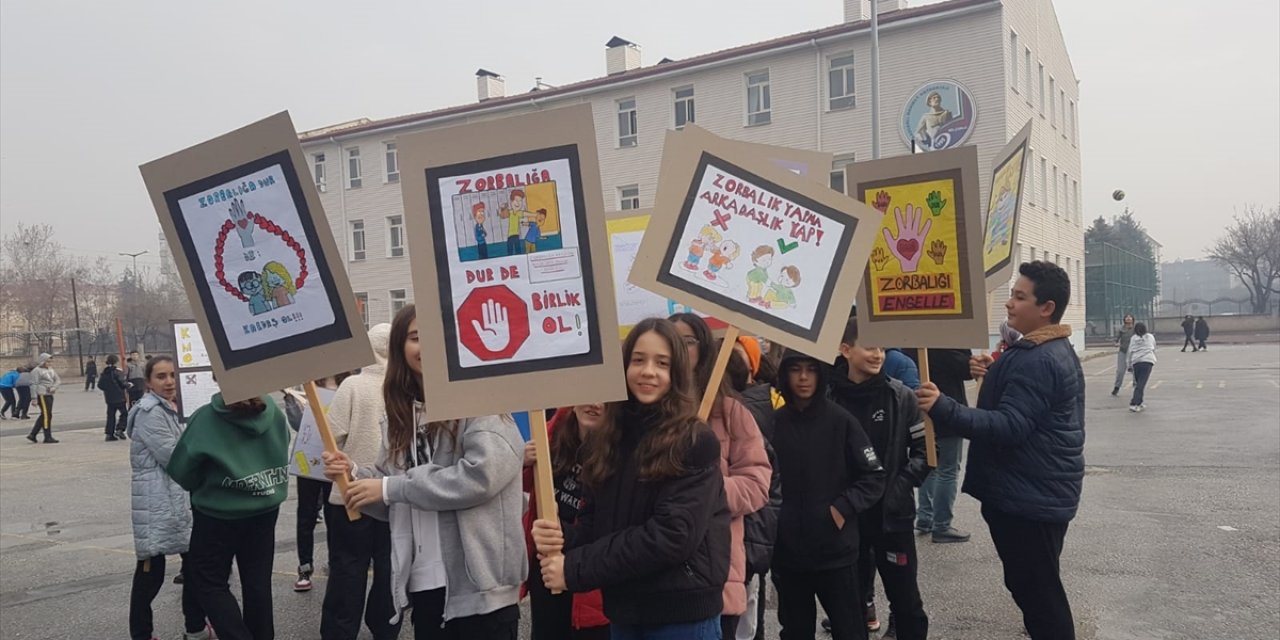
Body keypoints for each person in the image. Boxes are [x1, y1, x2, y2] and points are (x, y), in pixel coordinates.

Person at [326, 304, 526, 639]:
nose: (428, 347)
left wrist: (390, 488)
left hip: (480, 592)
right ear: (400, 349)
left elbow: (481, 477)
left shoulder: (480, 401)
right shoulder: (399, 416)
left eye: (436, 337)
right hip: (423, 584)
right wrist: (356, 478)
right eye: (417, 337)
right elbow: (391, 497)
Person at [532, 318, 731, 639]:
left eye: (661, 363)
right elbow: (596, 523)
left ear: (676, 372)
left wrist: (575, 568)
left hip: (679, 615)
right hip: (625, 609)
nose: (648, 371)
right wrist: (563, 539)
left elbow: (671, 536)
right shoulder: (607, 438)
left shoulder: (694, 440)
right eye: (638, 360)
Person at [916, 261, 1084, 639]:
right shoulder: (1041, 351)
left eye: (1019, 297)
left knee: (1040, 596)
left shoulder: (1039, 358)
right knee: (1035, 589)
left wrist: (944, 406)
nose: (1009, 304)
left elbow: (1010, 426)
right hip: (1036, 491)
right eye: (1011, 294)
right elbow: (1029, 407)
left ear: (1047, 308)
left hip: (1030, 497)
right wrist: (993, 372)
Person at [771, 347, 886, 640]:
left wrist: (841, 509)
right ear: (785, 375)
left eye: (811, 369)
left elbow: (873, 475)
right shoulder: (774, 423)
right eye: (796, 370)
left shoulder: (841, 420)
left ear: (822, 373)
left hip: (835, 552)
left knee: (849, 628)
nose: (804, 378)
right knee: (795, 630)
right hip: (788, 554)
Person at [670, 313, 771, 639]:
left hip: (715, 568)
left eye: (687, 341)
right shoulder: (645, 410)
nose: (679, 349)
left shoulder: (730, 412)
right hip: (656, 570)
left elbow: (757, 483)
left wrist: (707, 490)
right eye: (670, 341)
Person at [830, 318, 931, 640]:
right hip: (847, 520)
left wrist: (898, 488)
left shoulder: (901, 397)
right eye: (870, 346)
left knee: (907, 604)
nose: (878, 355)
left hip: (892, 520)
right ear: (845, 349)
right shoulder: (828, 398)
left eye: (882, 348)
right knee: (850, 606)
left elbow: (926, 453)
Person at [168, 390, 290, 640]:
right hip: (264, 508)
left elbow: (182, 471)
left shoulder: (206, 419)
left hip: (218, 512)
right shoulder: (274, 413)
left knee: (209, 581)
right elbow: (283, 444)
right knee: (257, 582)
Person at [319, 323, 400, 640]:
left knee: (347, 570)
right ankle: (384, 626)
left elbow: (330, 435)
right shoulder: (404, 387)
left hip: (350, 494)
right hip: (393, 496)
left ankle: (340, 631)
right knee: (389, 569)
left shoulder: (352, 385)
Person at [126, 355, 213, 640]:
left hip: (179, 500)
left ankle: (196, 626)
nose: (169, 382)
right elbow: (173, 456)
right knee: (150, 575)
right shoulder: (150, 412)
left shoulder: (177, 407)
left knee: (195, 567)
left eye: (173, 375)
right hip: (157, 503)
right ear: (149, 382)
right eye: (161, 377)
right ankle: (142, 632)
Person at [522, 406, 610, 640]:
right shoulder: (555, 429)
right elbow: (524, 487)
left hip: (590, 575)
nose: (594, 402)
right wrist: (522, 461)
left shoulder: (621, 447)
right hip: (547, 563)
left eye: (604, 396)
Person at [724, 339, 783, 640]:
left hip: (741, 542)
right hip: (743, 546)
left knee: (742, 622)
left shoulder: (743, 414)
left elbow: (764, 485)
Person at [281, 377, 344, 594]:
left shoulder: (347, 384)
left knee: (334, 512)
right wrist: (291, 400)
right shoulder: (305, 386)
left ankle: (335, 562)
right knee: (306, 514)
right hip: (307, 460)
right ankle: (305, 567)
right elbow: (297, 424)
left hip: (335, 460)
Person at [905, 348, 973, 545]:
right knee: (948, 469)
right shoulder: (946, 339)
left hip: (921, 410)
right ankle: (942, 525)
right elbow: (965, 369)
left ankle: (925, 518)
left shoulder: (911, 340)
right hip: (947, 407)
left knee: (929, 465)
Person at [27, 353, 60, 444]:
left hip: (50, 394)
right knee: (46, 415)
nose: (49, 363)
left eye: (50, 361)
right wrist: (34, 398)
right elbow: (33, 384)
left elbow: (57, 380)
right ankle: (47, 436)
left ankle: (33, 434)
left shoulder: (50, 370)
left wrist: (54, 387)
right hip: (42, 394)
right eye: (47, 361)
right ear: (43, 361)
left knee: (46, 414)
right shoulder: (36, 371)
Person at [1127, 322, 1157, 413]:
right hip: (1147, 361)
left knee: (1138, 382)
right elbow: (1154, 347)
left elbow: (1130, 351)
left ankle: (1139, 402)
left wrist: (1129, 364)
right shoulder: (1150, 337)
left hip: (1136, 362)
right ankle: (1134, 403)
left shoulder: (1133, 338)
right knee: (1141, 383)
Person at [100, 354, 131, 441]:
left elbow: (100, 385)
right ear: (116, 362)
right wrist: (128, 385)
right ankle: (120, 429)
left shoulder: (104, 372)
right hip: (119, 397)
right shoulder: (118, 372)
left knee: (111, 416)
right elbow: (123, 383)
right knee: (124, 413)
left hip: (109, 398)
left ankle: (109, 434)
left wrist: (108, 389)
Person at [1112, 314, 1136, 396]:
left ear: (1133, 319)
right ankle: (1117, 387)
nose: (1128, 318)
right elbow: (1116, 339)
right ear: (1124, 319)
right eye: (1127, 317)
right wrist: (1116, 343)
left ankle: (1136, 386)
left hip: (1133, 352)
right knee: (1120, 371)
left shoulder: (1135, 329)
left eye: (1130, 317)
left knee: (1135, 370)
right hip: (1123, 351)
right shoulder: (1122, 329)